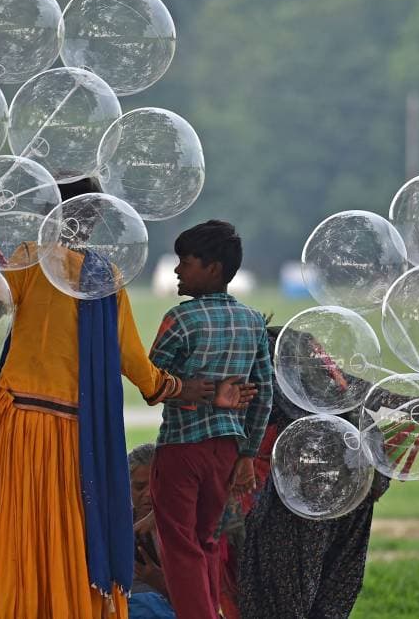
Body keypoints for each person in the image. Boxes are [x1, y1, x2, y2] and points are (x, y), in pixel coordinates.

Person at [0, 179, 251, 619]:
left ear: (52, 211)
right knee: (63, 527)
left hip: (17, 418)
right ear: (92, 218)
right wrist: (174, 387)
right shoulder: (103, 277)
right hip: (74, 428)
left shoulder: (30, 259)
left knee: (4, 523)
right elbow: (133, 360)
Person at [235, 325, 417, 619]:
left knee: (280, 601)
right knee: (329, 602)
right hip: (351, 498)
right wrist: (412, 404)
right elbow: (366, 393)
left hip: (301, 503)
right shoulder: (333, 387)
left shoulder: (272, 368)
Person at [145, 220, 274, 619]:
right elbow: (264, 394)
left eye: (186, 262)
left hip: (182, 449)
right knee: (207, 543)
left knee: (179, 547)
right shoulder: (253, 322)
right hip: (226, 451)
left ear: (213, 268)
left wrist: (186, 388)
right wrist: (247, 455)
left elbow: (152, 384)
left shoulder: (180, 320)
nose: (177, 271)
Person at [127, 443, 175, 619]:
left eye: (156, 485)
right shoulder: (117, 528)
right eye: (140, 487)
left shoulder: (183, 528)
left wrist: (162, 582)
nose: (148, 494)